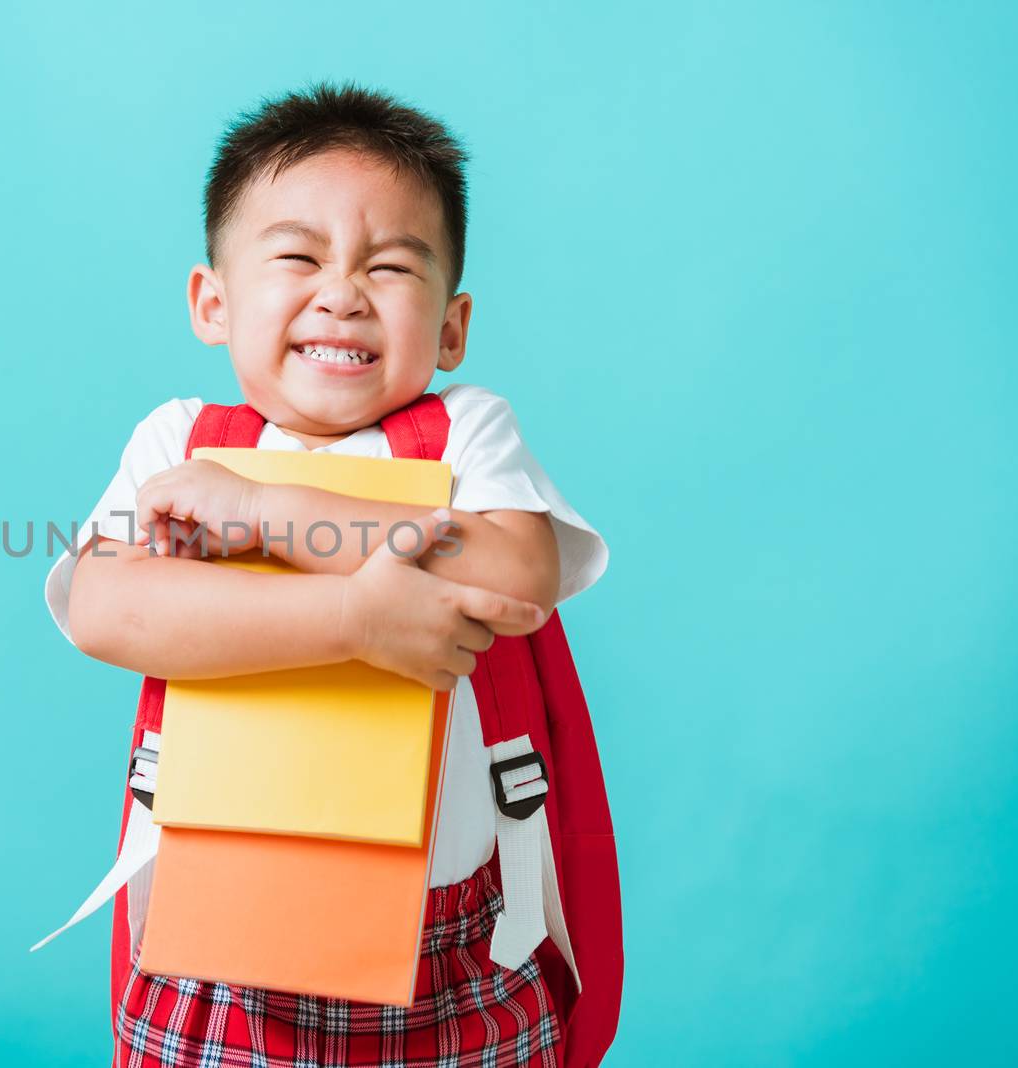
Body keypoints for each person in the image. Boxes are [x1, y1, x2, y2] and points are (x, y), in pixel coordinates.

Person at [40, 80, 609, 1068]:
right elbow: (105, 604)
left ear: (450, 329)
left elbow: (517, 567)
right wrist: (355, 618)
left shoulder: (465, 433)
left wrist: (268, 514)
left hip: (457, 944)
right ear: (211, 302)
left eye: (390, 266)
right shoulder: (177, 443)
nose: (342, 290)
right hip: (214, 937)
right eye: (297, 256)